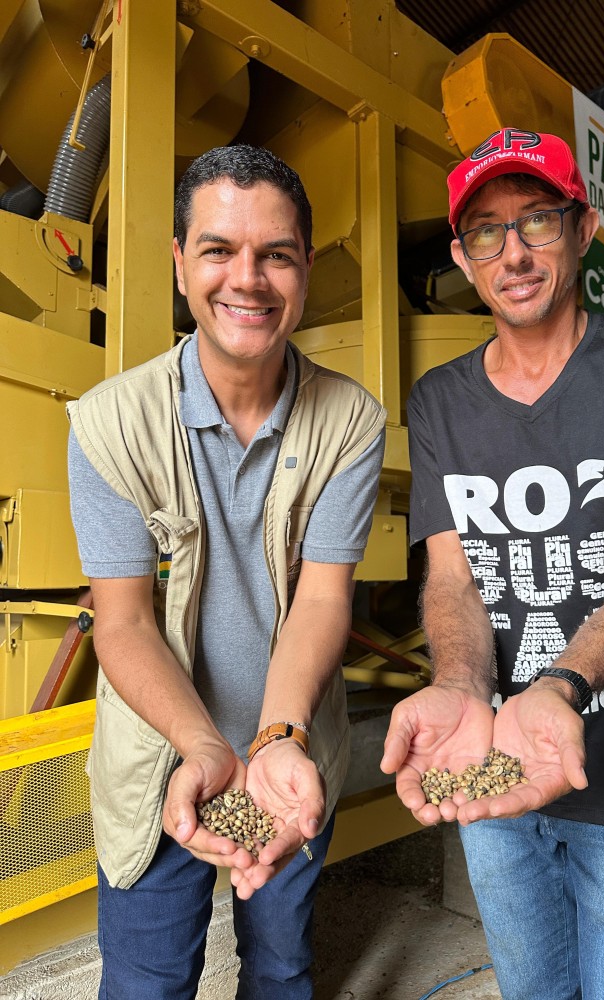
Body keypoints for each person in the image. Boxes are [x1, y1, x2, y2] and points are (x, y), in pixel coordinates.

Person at [381, 127, 604, 1000]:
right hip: (494, 778)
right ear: (463, 258)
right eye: (487, 232)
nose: (514, 253)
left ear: (582, 230)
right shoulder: (440, 402)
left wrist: (559, 687)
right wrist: (462, 686)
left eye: (537, 219)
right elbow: (454, 577)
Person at [67, 145, 386, 1000]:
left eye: (275, 253)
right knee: (145, 982)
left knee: (281, 970)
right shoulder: (110, 424)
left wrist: (277, 739)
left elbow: (323, 598)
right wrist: (203, 746)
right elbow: (123, 620)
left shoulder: (350, 422)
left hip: (292, 759)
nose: (247, 279)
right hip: (161, 756)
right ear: (180, 263)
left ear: (305, 266)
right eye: (218, 250)